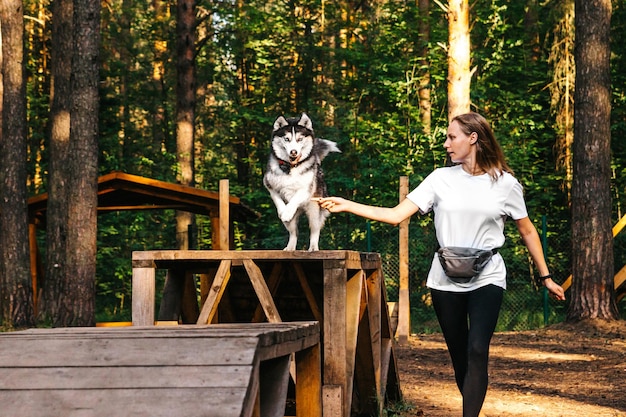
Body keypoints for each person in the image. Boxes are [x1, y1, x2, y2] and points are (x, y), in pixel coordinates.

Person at [315, 112, 565, 417]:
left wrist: (546, 277)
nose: (446, 143)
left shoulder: (505, 184)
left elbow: (527, 230)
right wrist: (347, 204)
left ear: (473, 138)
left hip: (488, 276)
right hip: (443, 279)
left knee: (476, 350)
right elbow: (396, 215)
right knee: (460, 355)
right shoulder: (439, 178)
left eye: (452, 137)